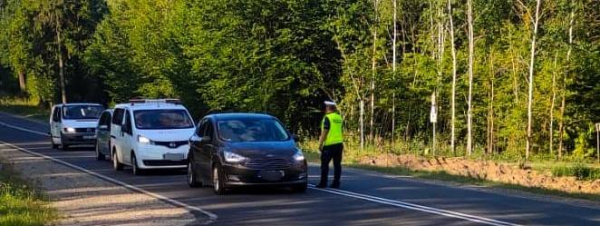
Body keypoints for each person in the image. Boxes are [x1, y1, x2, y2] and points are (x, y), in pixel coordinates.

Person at [316, 100, 344, 189]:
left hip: (329, 144)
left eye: (326, 107)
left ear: (328, 108)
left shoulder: (327, 118)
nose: (325, 108)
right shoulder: (339, 117)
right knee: (337, 164)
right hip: (339, 144)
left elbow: (325, 131)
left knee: (324, 164)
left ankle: (323, 183)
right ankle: (336, 183)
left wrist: (320, 143)